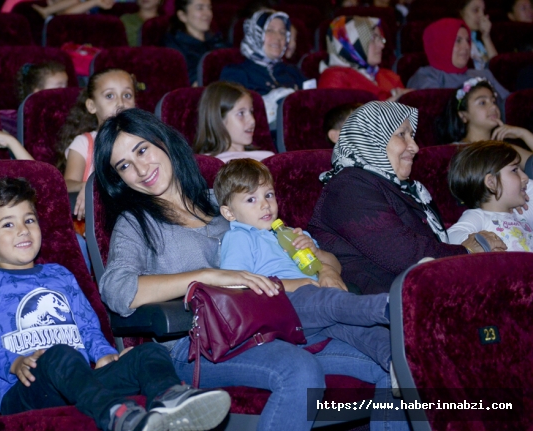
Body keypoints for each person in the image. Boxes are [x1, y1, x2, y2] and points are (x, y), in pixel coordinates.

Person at [95, 108, 409, 431]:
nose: (140, 168)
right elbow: (117, 290)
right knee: (300, 372)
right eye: (124, 166)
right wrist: (205, 276)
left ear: (161, 141)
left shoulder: (228, 205)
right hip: (197, 346)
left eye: (142, 150)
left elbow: (317, 259)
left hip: (276, 324)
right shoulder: (136, 223)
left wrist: (322, 264)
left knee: (394, 363)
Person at [0, 177, 231, 431]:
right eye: (8, 224)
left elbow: (87, 326)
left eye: (29, 220)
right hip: (24, 387)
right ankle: (119, 416)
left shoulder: (59, 275)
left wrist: (103, 354)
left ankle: (172, 406)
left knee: (148, 354)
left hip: (78, 379)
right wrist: (13, 362)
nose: (23, 230)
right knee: (59, 354)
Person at [307, 101, 506, 295]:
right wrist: (465, 251)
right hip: (384, 307)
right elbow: (401, 253)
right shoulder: (348, 187)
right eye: (402, 134)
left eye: (412, 136)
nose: (415, 147)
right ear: (371, 137)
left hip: (418, 292)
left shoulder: (404, 188)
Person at [215, 158, 392, 371]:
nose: (265, 204)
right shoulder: (241, 237)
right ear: (229, 213)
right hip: (280, 305)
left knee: (371, 335)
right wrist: (300, 283)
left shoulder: (293, 234)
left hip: (319, 309)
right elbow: (237, 284)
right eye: (251, 199)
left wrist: (321, 260)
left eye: (268, 195)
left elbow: (333, 263)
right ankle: (390, 307)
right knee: (329, 300)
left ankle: (397, 367)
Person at [55, 68, 136, 221]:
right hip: (96, 223)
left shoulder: (143, 141)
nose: (120, 102)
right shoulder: (84, 143)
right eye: (110, 96)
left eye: (127, 95)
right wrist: (87, 185)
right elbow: (66, 184)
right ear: (92, 106)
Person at [447, 141, 533, 251]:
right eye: (515, 170)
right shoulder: (479, 216)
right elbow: (450, 236)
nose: (525, 177)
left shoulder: (522, 214)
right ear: (491, 183)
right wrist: (482, 243)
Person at [407, 18, 509, 103]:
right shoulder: (426, 76)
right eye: (458, 41)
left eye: (468, 40)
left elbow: (508, 105)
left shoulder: (484, 75)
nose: (466, 46)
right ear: (440, 45)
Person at [318, 16, 410, 102]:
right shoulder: (333, 80)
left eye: (381, 39)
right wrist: (392, 104)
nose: (382, 45)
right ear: (351, 44)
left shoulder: (389, 76)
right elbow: (342, 118)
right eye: (373, 38)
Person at [437, 78, 533, 157]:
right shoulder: (455, 151)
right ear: (463, 115)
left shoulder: (505, 148)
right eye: (482, 103)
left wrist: (523, 134)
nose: (493, 107)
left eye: (493, 101)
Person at [220, 9, 305, 96]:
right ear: (256, 34)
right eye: (270, 30)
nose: (278, 37)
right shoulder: (236, 74)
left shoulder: (293, 72)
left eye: (282, 32)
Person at [193, 81, 274, 162]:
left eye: (251, 111)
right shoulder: (206, 163)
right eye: (241, 113)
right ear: (219, 120)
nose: (252, 121)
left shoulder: (268, 158)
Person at [164, 0, 225, 86]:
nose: (207, 13)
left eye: (209, 8)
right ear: (182, 16)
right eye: (200, 8)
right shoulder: (174, 47)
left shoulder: (216, 40)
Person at [457, 0, 497, 70]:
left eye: (483, 11)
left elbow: (497, 68)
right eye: (475, 10)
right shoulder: (455, 39)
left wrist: (486, 37)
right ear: (461, 12)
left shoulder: (477, 40)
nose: (481, 16)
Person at [31, 0, 114, 19]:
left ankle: (48, 11)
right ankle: (47, 11)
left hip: (90, 10)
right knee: (75, 1)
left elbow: (108, 3)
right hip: (75, 7)